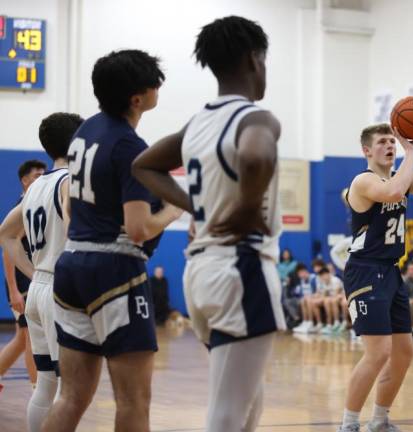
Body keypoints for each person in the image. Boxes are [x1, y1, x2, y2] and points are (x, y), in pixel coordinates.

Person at [131, 16, 286, 431]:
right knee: (227, 413)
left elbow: (144, 165)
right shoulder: (257, 119)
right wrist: (245, 211)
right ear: (256, 59)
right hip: (240, 268)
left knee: (246, 397)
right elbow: (256, 157)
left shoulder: (198, 123)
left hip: (201, 275)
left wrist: (200, 208)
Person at [41, 51, 182, 432]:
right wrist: (174, 209)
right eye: (154, 83)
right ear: (137, 99)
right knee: (134, 402)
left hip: (71, 264)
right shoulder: (130, 148)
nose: (158, 88)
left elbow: (70, 205)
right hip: (114, 269)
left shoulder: (84, 131)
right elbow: (137, 229)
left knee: (71, 397)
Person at [339, 120, 413, 431]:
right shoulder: (363, 181)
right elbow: (395, 190)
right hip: (365, 271)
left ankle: (380, 421)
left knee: (403, 352)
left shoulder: (402, 179)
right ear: (367, 150)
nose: (390, 146)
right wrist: (409, 150)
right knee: (378, 352)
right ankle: (348, 424)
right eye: (383, 141)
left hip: (390, 271)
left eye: (392, 141)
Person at [0, 114, 81, 429]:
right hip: (61, 290)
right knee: (67, 386)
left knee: (45, 384)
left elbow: (5, 233)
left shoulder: (36, 187)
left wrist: (34, 273)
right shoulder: (69, 182)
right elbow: (75, 232)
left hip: (39, 289)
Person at [0, 160, 45, 389]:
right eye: (37, 175)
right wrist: (13, 290)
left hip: (29, 277)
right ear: (24, 180)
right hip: (22, 281)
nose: (42, 178)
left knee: (20, 339)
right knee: (30, 337)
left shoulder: (36, 203)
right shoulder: (24, 205)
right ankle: (36, 388)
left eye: (43, 174)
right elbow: (8, 249)